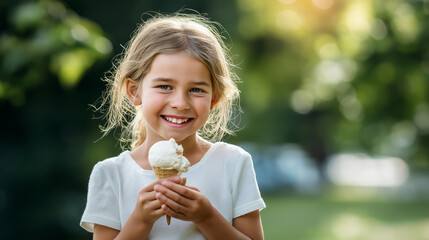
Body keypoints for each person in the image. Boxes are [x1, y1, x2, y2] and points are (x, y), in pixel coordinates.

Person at [80, 12, 265, 240]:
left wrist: (206, 217)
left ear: (213, 99)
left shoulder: (233, 163)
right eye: (165, 86)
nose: (180, 103)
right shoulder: (111, 174)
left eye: (196, 90)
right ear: (134, 91)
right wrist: (140, 219)